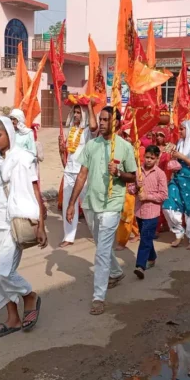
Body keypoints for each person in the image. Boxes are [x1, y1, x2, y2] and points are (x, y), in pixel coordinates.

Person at [65, 106, 138, 316]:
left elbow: (133, 176)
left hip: (112, 204)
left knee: (102, 251)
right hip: (91, 203)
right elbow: (81, 175)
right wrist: (72, 204)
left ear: (115, 122)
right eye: (101, 119)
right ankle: (115, 272)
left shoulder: (124, 147)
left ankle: (98, 297)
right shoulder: (91, 145)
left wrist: (119, 172)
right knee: (101, 245)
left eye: (106, 120)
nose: (102, 123)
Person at [0, 117, 47, 339]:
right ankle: (13, 318)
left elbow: (36, 191)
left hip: (15, 221)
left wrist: (41, 225)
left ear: (9, 133)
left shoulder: (23, 158)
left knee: (4, 271)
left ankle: (29, 295)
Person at [162, 120, 190, 250]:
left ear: (189, 130)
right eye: (179, 129)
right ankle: (178, 232)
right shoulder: (180, 143)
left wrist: (182, 157)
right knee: (168, 205)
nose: (180, 131)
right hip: (177, 177)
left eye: (182, 129)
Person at [58, 104, 97, 248]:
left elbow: (94, 126)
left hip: (83, 174)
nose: (75, 115)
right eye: (74, 112)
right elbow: (66, 155)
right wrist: (61, 151)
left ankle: (97, 233)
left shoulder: (88, 131)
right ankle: (68, 236)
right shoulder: (71, 130)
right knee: (68, 204)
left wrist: (90, 106)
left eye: (78, 113)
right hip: (69, 172)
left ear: (84, 114)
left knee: (87, 206)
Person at [131, 145, 168, 279]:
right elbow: (130, 189)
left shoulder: (160, 174)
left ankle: (140, 265)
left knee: (145, 237)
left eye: (152, 158)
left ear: (157, 159)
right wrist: (136, 186)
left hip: (152, 212)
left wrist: (148, 197)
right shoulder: (137, 171)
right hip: (139, 211)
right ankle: (152, 257)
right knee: (145, 236)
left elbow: (163, 195)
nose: (148, 160)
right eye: (147, 157)